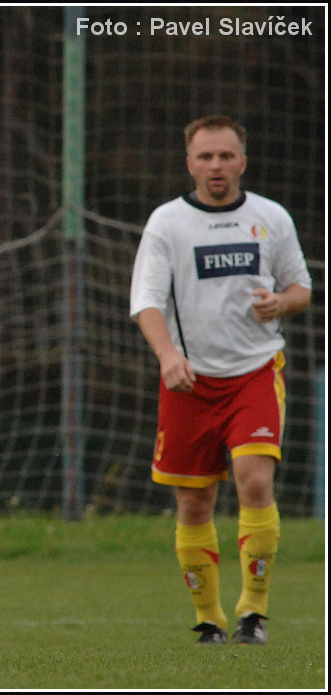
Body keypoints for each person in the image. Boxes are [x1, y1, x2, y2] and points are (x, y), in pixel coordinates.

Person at [129, 115, 311, 645]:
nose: (216, 166)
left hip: (256, 371)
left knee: (255, 481)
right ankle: (209, 620)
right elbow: (146, 301)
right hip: (188, 381)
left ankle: (254, 612)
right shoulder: (167, 222)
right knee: (194, 502)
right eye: (206, 156)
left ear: (242, 162)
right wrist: (168, 356)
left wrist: (281, 302)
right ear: (189, 164)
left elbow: (300, 288)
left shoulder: (270, 217)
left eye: (226, 156)